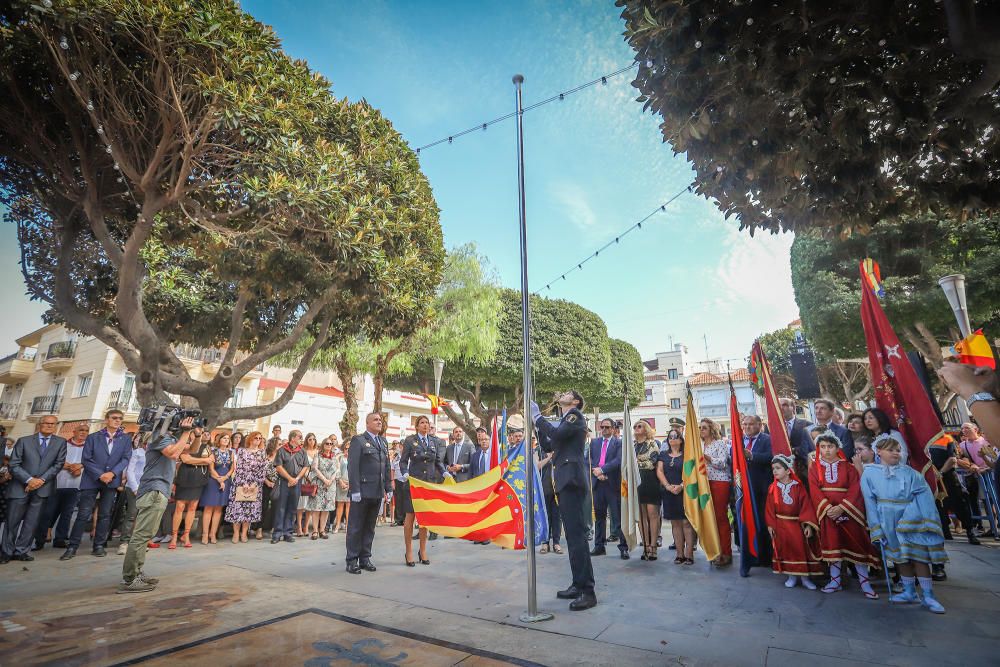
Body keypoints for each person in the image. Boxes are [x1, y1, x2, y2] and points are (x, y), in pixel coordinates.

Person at [861, 438, 948, 613]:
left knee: (918, 556)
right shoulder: (869, 473)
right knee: (900, 556)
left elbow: (923, 495)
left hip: (911, 518)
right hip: (887, 518)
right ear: (879, 451)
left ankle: (928, 595)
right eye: (891, 449)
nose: (895, 453)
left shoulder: (911, 473)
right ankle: (909, 591)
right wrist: (876, 527)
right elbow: (869, 501)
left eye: (898, 450)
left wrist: (917, 516)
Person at [532, 390, 597, 611]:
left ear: (576, 401)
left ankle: (588, 591)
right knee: (572, 537)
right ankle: (577, 584)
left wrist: (538, 418)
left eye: (568, 393)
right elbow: (551, 445)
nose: (563, 394)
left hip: (571, 481)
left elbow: (557, 436)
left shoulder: (575, 416)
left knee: (578, 538)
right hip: (564, 482)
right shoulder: (564, 423)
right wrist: (537, 427)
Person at [119, 415, 198, 593]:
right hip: (154, 489)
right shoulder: (158, 436)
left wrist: (196, 435)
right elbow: (173, 453)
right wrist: (186, 432)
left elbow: (191, 449)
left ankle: (136, 572)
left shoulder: (168, 438)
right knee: (141, 535)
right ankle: (130, 578)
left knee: (146, 534)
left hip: (158, 489)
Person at [808, 434, 879, 598]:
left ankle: (865, 583)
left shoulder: (847, 467)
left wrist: (842, 508)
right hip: (827, 513)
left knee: (857, 545)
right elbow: (814, 491)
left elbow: (855, 488)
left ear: (837, 448)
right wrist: (828, 509)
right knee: (833, 546)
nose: (827, 450)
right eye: (823, 447)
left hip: (849, 512)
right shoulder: (815, 468)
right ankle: (835, 581)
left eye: (830, 446)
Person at [63, 410, 132, 559]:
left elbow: (126, 458)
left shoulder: (125, 439)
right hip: (91, 479)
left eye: (120, 419)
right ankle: (72, 547)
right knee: (83, 514)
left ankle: (99, 545)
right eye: (114, 418)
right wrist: (101, 474)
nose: (117, 421)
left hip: (111, 480)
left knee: (105, 514)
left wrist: (112, 473)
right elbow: (86, 459)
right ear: (107, 419)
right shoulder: (94, 437)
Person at [1, 415, 67, 563]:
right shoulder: (24, 441)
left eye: (53, 424)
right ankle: (6, 552)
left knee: (32, 522)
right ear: (39, 425)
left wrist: (40, 480)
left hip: (43, 488)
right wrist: (29, 480)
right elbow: (14, 464)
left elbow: (58, 464)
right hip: (20, 486)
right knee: (12, 522)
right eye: (46, 423)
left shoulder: (61, 442)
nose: (49, 426)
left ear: (56, 426)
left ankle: (21, 551)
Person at [765, 454, 822, 589]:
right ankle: (791, 576)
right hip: (780, 525)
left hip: (796, 525)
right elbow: (769, 508)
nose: (775, 471)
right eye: (773, 469)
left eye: (778, 468)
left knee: (800, 550)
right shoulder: (773, 488)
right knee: (786, 550)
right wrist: (771, 525)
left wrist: (808, 524)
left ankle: (805, 578)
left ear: (787, 470)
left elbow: (806, 506)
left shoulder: (798, 487)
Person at [345, 412, 392, 574]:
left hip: (377, 491)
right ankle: (351, 560)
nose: (379, 422)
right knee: (356, 527)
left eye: (380, 420)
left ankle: (365, 558)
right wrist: (355, 489)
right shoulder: (358, 440)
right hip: (362, 491)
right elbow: (353, 467)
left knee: (370, 528)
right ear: (367, 423)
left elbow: (386, 467)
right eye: (376, 420)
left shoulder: (383, 442)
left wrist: (389, 488)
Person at [400, 415, 446, 566]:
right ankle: (409, 552)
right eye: (422, 423)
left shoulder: (434, 441)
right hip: (414, 484)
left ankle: (423, 550)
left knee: (425, 520)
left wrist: (445, 472)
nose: (425, 425)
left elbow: (438, 461)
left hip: (428, 485)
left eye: (427, 423)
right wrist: (405, 473)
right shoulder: (410, 440)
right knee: (410, 518)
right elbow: (403, 461)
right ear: (417, 426)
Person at [38, 422, 87, 551]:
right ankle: (40, 538)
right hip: (57, 483)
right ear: (74, 432)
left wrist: (80, 466)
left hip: (75, 485)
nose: (83, 433)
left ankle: (60, 538)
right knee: (49, 511)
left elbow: (87, 461)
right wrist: (71, 466)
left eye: (86, 431)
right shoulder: (63, 444)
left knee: (67, 513)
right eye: (81, 430)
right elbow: (54, 459)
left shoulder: (88, 447)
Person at [928, 434, 979, 547]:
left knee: (959, 503)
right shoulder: (924, 438)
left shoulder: (947, 438)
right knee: (939, 506)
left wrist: (940, 473)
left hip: (948, 477)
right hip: (933, 479)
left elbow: (952, 459)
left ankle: (970, 531)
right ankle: (945, 533)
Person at [740, 414, 773, 574]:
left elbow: (772, 457)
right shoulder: (739, 440)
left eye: (751, 424)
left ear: (760, 424)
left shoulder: (767, 439)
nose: (747, 427)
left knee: (764, 522)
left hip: (762, 488)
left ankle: (767, 557)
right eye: (744, 424)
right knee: (749, 522)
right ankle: (753, 555)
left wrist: (752, 456)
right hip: (745, 488)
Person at [589, 417, 626, 559]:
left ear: (613, 429)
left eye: (607, 427)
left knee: (618, 518)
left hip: (612, 484)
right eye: (602, 427)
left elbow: (618, 461)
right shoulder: (594, 442)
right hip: (598, 484)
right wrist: (597, 473)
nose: (604, 429)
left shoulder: (619, 443)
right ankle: (599, 546)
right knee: (599, 517)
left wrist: (602, 470)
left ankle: (623, 547)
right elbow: (590, 460)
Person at [169, 428, 212, 549]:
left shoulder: (205, 446)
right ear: (190, 435)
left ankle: (186, 535)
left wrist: (196, 461)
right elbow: (186, 459)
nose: (198, 435)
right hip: (185, 478)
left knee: (193, 507)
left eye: (200, 434)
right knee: (180, 507)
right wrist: (203, 460)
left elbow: (211, 461)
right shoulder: (184, 445)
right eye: (196, 433)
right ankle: (174, 536)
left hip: (199, 479)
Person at [657, 429, 694, 565]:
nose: (672, 438)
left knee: (686, 523)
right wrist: (667, 486)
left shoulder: (687, 455)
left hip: (685, 492)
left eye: (675, 436)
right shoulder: (663, 455)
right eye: (670, 436)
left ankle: (689, 554)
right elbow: (660, 471)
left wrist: (682, 486)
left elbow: (691, 473)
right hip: (669, 492)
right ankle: (679, 554)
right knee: (675, 524)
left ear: (681, 440)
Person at [701, 418, 733, 566]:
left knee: (720, 517)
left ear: (712, 429)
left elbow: (722, 463)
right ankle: (714, 551)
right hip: (703, 484)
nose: (701, 430)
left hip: (719, 482)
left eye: (704, 428)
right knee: (709, 518)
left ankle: (726, 552)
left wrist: (705, 457)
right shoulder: (699, 445)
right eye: (700, 428)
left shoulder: (720, 443)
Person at [225, 431, 267, 543]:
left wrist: (254, 484)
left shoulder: (262, 452)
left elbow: (262, 470)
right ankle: (235, 534)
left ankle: (244, 534)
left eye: (260, 438)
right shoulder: (242, 451)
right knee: (237, 510)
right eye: (256, 438)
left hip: (255, 485)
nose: (258, 440)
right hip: (240, 484)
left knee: (248, 511)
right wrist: (244, 483)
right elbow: (239, 468)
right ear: (250, 439)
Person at [957, 422, 995, 534]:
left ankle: (994, 527)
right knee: (975, 500)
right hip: (973, 476)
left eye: (967, 428)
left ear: (976, 429)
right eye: (962, 429)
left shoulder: (985, 441)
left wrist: (986, 468)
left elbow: (994, 457)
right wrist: (971, 465)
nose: (964, 430)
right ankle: (981, 526)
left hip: (988, 474)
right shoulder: (962, 445)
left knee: (991, 501)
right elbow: (963, 458)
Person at [632, 420, 662, 561]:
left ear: (646, 429)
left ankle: (653, 546)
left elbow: (651, 463)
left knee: (652, 515)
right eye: (635, 426)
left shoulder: (653, 443)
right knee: (641, 516)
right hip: (637, 483)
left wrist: (636, 463)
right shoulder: (631, 446)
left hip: (651, 481)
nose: (637, 428)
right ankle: (645, 546)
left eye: (640, 426)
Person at [272, 431, 309, 544]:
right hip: (284, 482)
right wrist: (289, 478)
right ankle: (277, 534)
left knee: (292, 508)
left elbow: (305, 466)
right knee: (281, 508)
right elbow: (278, 466)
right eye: (300, 437)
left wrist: (296, 479)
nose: (301, 439)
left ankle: (288, 533)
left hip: (296, 482)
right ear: (293, 438)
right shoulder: (282, 450)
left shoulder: (302, 451)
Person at [199, 432, 234, 545]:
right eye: (224, 438)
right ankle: (204, 534)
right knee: (209, 508)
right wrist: (219, 479)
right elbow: (211, 468)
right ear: (219, 440)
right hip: (213, 481)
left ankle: (212, 533)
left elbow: (232, 468)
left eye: (228, 439)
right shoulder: (213, 451)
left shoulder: (231, 452)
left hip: (226, 481)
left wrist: (225, 478)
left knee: (219, 509)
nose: (226, 440)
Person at [115, 431, 147, 555]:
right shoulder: (136, 453)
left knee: (142, 516)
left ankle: (137, 542)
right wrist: (135, 488)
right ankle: (124, 542)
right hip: (134, 487)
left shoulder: (155, 454)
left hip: (147, 488)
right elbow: (130, 471)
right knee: (131, 514)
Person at [533, 424, 562, 555]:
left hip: (557, 489)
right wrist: (549, 458)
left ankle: (556, 542)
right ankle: (545, 543)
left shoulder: (560, 449)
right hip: (544, 489)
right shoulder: (539, 450)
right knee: (546, 516)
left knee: (557, 517)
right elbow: (537, 466)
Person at [307, 437, 340, 540]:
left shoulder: (334, 457)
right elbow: (315, 468)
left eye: (331, 444)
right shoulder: (318, 455)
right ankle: (315, 531)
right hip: (320, 485)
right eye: (327, 443)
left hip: (330, 486)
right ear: (323, 444)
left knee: (326, 509)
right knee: (317, 508)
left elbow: (337, 470)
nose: (329, 445)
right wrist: (325, 480)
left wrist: (330, 480)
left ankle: (322, 530)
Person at [780, 398, 815, 483]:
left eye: (784, 405)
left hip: (803, 471)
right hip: (782, 474)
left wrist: (793, 450)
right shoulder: (772, 428)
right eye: (779, 405)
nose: (781, 408)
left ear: (793, 407)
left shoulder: (807, 424)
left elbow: (812, 450)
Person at [254, 438, 280, 540]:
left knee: (276, 507)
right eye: (279, 443)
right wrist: (267, 482)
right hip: (264, 484)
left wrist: (276, 483)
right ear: (273, 444)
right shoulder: (264, 455)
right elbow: (259, 470)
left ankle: (274, 528)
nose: (281, 445)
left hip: (277, 485)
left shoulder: (281, 456)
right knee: (263, 507)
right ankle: (259, 529)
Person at [296, 433, 320, 537]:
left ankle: (306, 526)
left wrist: (313, 478)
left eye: (313, 439)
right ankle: (299, 528)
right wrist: (306, 476)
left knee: (310, 505)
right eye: (310, 439)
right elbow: (300, 465)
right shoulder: (302, 451)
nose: (312, 441)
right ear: (306, 440)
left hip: (314, 480)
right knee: (301, 505)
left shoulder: (318, 452)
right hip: (303, 479)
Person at [333, 438, 350, 533]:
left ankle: (348, 525)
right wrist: (340, 481)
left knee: (348, 506)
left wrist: (351, 483)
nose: (348, 450)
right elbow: (337, 471)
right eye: (346, 448)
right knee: (340, 505)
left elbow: (356, 472)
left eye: (350, 449)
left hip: (350, 484)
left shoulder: (354, 458)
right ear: (343, 448)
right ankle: (337, 525)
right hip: (341, 483)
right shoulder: (339, 457)